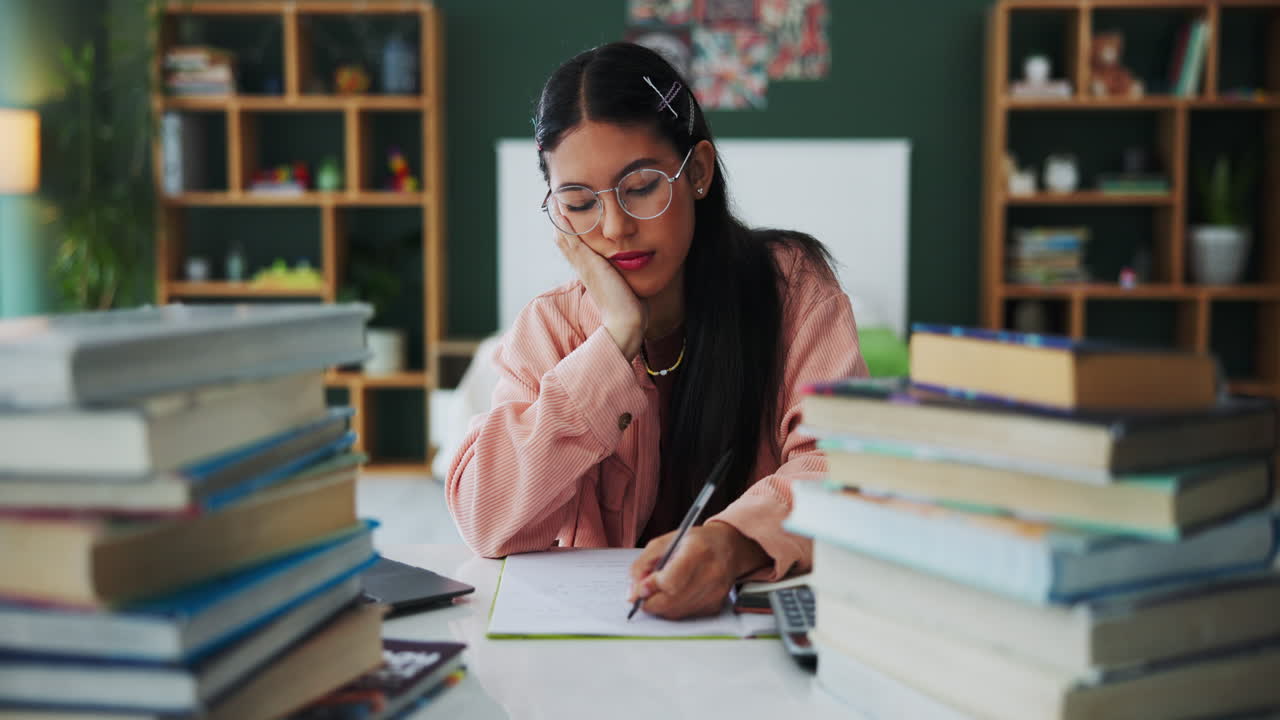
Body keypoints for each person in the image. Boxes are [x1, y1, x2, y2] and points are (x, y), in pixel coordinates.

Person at [445, 42, 868, 620]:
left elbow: (841, 465)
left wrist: (733, 544)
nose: (615, 227)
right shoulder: (550, 328)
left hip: (749, 638)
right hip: (607, 646)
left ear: (697, 172)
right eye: (579, 202)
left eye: (641, 187)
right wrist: (615, 340)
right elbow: (483, 519)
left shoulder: (793, 289)